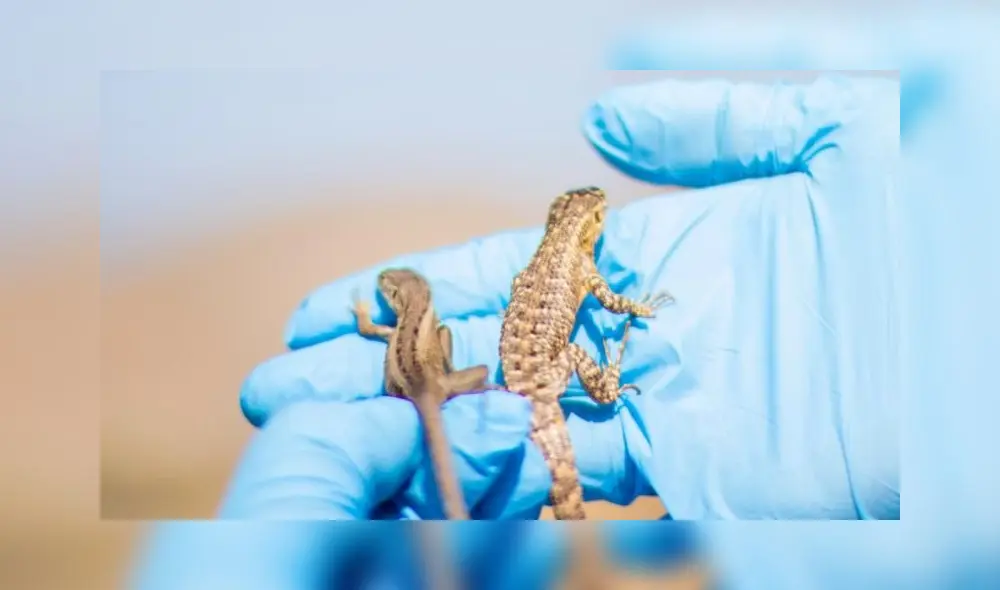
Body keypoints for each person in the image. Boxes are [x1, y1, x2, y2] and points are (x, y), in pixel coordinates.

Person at [133, 50, 914, 590]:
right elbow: (610, 303)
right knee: (564, 450)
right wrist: (623, 334)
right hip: (539, 369)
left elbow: (568, 303)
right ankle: (594, 428)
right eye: (592, 215)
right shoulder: (581, 265)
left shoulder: (549, 261)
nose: (597, 219)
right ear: (584, 228)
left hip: (519, 365)